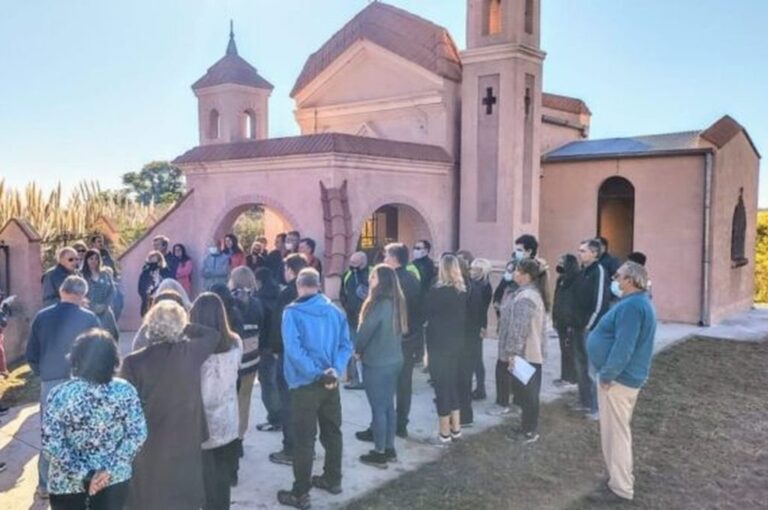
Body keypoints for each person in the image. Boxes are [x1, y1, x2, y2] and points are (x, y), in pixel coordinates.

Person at [120, 301, 219, 510]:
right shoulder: (190, 352)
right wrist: (181, 324)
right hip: (185, 435)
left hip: (149, 438)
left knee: (150, 492)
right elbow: (212, 335)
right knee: (183, 491)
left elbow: (125, 409)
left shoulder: (133, 362)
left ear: (149, 326)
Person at [42, 329, 147, 510]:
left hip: (67, 484)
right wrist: (108, 470)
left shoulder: (60, 394)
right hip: (113, 481)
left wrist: (86, 474)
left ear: (76, 358)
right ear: (113, 359)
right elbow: (137, 434)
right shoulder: (125, 391)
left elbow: (52, 445)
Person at [276, 268, 352, 509]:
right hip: (330, 382)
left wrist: (316, 373)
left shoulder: (292, 313)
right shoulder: (335, 311)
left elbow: (294, 350)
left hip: (305, 384)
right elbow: (346, 345)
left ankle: (300, 493)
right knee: (333, 431)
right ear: (318, 285)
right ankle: (333, 478)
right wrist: (335, 369)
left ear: (299, 285)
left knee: (304, 440)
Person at [586, 262, 656, 504]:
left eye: (618, 276)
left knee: (616, 435)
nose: (615, 279)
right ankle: (617, 479)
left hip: (618, 381)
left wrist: (607, 374)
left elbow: (624, 346)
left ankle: (621, 488)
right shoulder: (635, 303)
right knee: (614, 433)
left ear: (630, 280)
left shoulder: (633, 307)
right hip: (620, 378)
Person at [26, 275, 101, 500]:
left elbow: (32, 353)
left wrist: (43, 372)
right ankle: (82, 482)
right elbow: (100, 351)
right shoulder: (89, 318)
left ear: (62, 291)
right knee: (83, 433)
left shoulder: (42, 317)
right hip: (82, 381)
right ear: (82, 294)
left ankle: (45, 485)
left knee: (51, 434)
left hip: (50, 382)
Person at [190, 293, 242, 509]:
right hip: (227, 419)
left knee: (203, 480)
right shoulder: (235, 343)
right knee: (222, 479)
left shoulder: (191, 349)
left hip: (200, 423)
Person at [354, 264, 406, 468]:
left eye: (374, 277)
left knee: (378, 408)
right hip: (394, 360)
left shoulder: (379, 305)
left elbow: (365, 331)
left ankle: (379, 452)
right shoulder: (397, 302)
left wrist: (357, 350)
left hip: (377, 362)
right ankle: (389, 448)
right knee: (388, 406)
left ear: (382, 282)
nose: (370, 280)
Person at [499, 258, 550, 444]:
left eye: (517, 271)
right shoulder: (528, 293)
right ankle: (526, 427)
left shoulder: (526, 297)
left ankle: (529, 431)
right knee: (526, 394)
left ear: (526, 276)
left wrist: (512, 353)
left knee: (529, 395)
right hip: (529, 352)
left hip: (526, 354)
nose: (514, 273)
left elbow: (519, 328)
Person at [423, 254, 467, 444]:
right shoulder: (462, 291)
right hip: (456, 343)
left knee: (441, 387)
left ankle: (444, 433)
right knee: (452, 385)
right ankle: (456, 429)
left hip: (438, 344)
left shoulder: (437, 291)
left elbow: (426, 312)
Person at [269, 254, 308, 466]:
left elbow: (278, 324)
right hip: (308, 356)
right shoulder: (313, 292)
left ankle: (291, 449)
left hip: (289, 355)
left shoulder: (288, 294)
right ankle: (305, 446)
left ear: (291, 270)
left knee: (289, 403)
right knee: (304, 403)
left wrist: (276, 349)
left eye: (285, 269)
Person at [229, 267, 266, 459]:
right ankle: (240, 438)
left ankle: (229, 439)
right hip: (251, 359)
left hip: (232, 360)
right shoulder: (257, 303)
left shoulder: (228, 303)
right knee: (244, 400)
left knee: (229, 400)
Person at [575, 238, 611, 420]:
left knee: (592, 369)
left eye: (583, 251)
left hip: (592, 328)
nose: (580, 254)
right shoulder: (583, 271)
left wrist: (589, 325)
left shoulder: (599, 271)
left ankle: (596, 408)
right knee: (580, 367)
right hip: (579, 326)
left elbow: (599, 302)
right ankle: (585, 402)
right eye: (580, 250)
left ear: (594, 253)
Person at [253, 267, 283, 432]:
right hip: (278, 345)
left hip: (264, 346)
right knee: (276, 382)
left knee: (267, 383)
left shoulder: (259, 299)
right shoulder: (280, 295)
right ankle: (281, 416)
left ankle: (275, 418)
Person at [340, 252, 370, 390]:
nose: (352, 265)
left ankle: (368, 378)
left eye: (355, 263)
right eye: (351, 262)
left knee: (367, 350)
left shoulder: (372, 273)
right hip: (352, 319)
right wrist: (347, 307)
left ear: (363, 262)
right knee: (354, 349)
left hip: (369, 319)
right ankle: (356, 379)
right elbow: (342, 294)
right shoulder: (347, 275)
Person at [552, 253, 582, 386]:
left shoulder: (578, 280)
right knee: (564, 349)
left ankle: (572, 378)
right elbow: (557, 299)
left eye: (562, 262)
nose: (559, 264)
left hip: (571, 321)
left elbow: (577, 303)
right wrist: (554, 318)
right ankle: (565, 376)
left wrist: (572, 321)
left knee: (571, 350)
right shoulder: (561, 279)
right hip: (560, 320)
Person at [466, 258, 493, 403]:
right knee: (473, 357)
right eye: (472, 268)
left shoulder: (484, 286)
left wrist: (483, 327)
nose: (473, 271)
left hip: (477, 324)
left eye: (477, 269)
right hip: (472, 324)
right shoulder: (472, 283)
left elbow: (483, 309)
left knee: (476, 358)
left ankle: (480, 388)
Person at [82, 249, 119, 339]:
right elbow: (80, 294)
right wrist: (92, 306)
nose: (94, 261)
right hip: (89, 311)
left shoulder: (105, 274)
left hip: (105, 311)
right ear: (86, 260)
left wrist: (105, 305)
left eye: (96, 258)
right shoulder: (81, 275)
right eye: (91, 258)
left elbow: (112, 290)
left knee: (111, 336)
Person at [137, 251, 171, 317]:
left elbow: (168, 282)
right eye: (150, 259)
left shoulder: (165, 271)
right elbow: (141, 286)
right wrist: (145, 295)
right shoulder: (146, 271)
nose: (152, 261)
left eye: (154, 258)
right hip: (148, 299)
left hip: (161, 299)